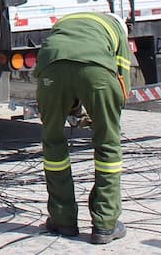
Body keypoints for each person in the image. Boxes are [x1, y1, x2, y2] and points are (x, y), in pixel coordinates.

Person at [35, 12, 131, 245]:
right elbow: (123, 84)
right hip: (96, 70)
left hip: (51, 66)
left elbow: (65, 71)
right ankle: (105, 225)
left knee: (53, 143)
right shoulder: (117, 31)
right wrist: (104, 115)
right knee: (108, 145)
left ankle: (62, 219)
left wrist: (74, 108)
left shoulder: (64, 24)